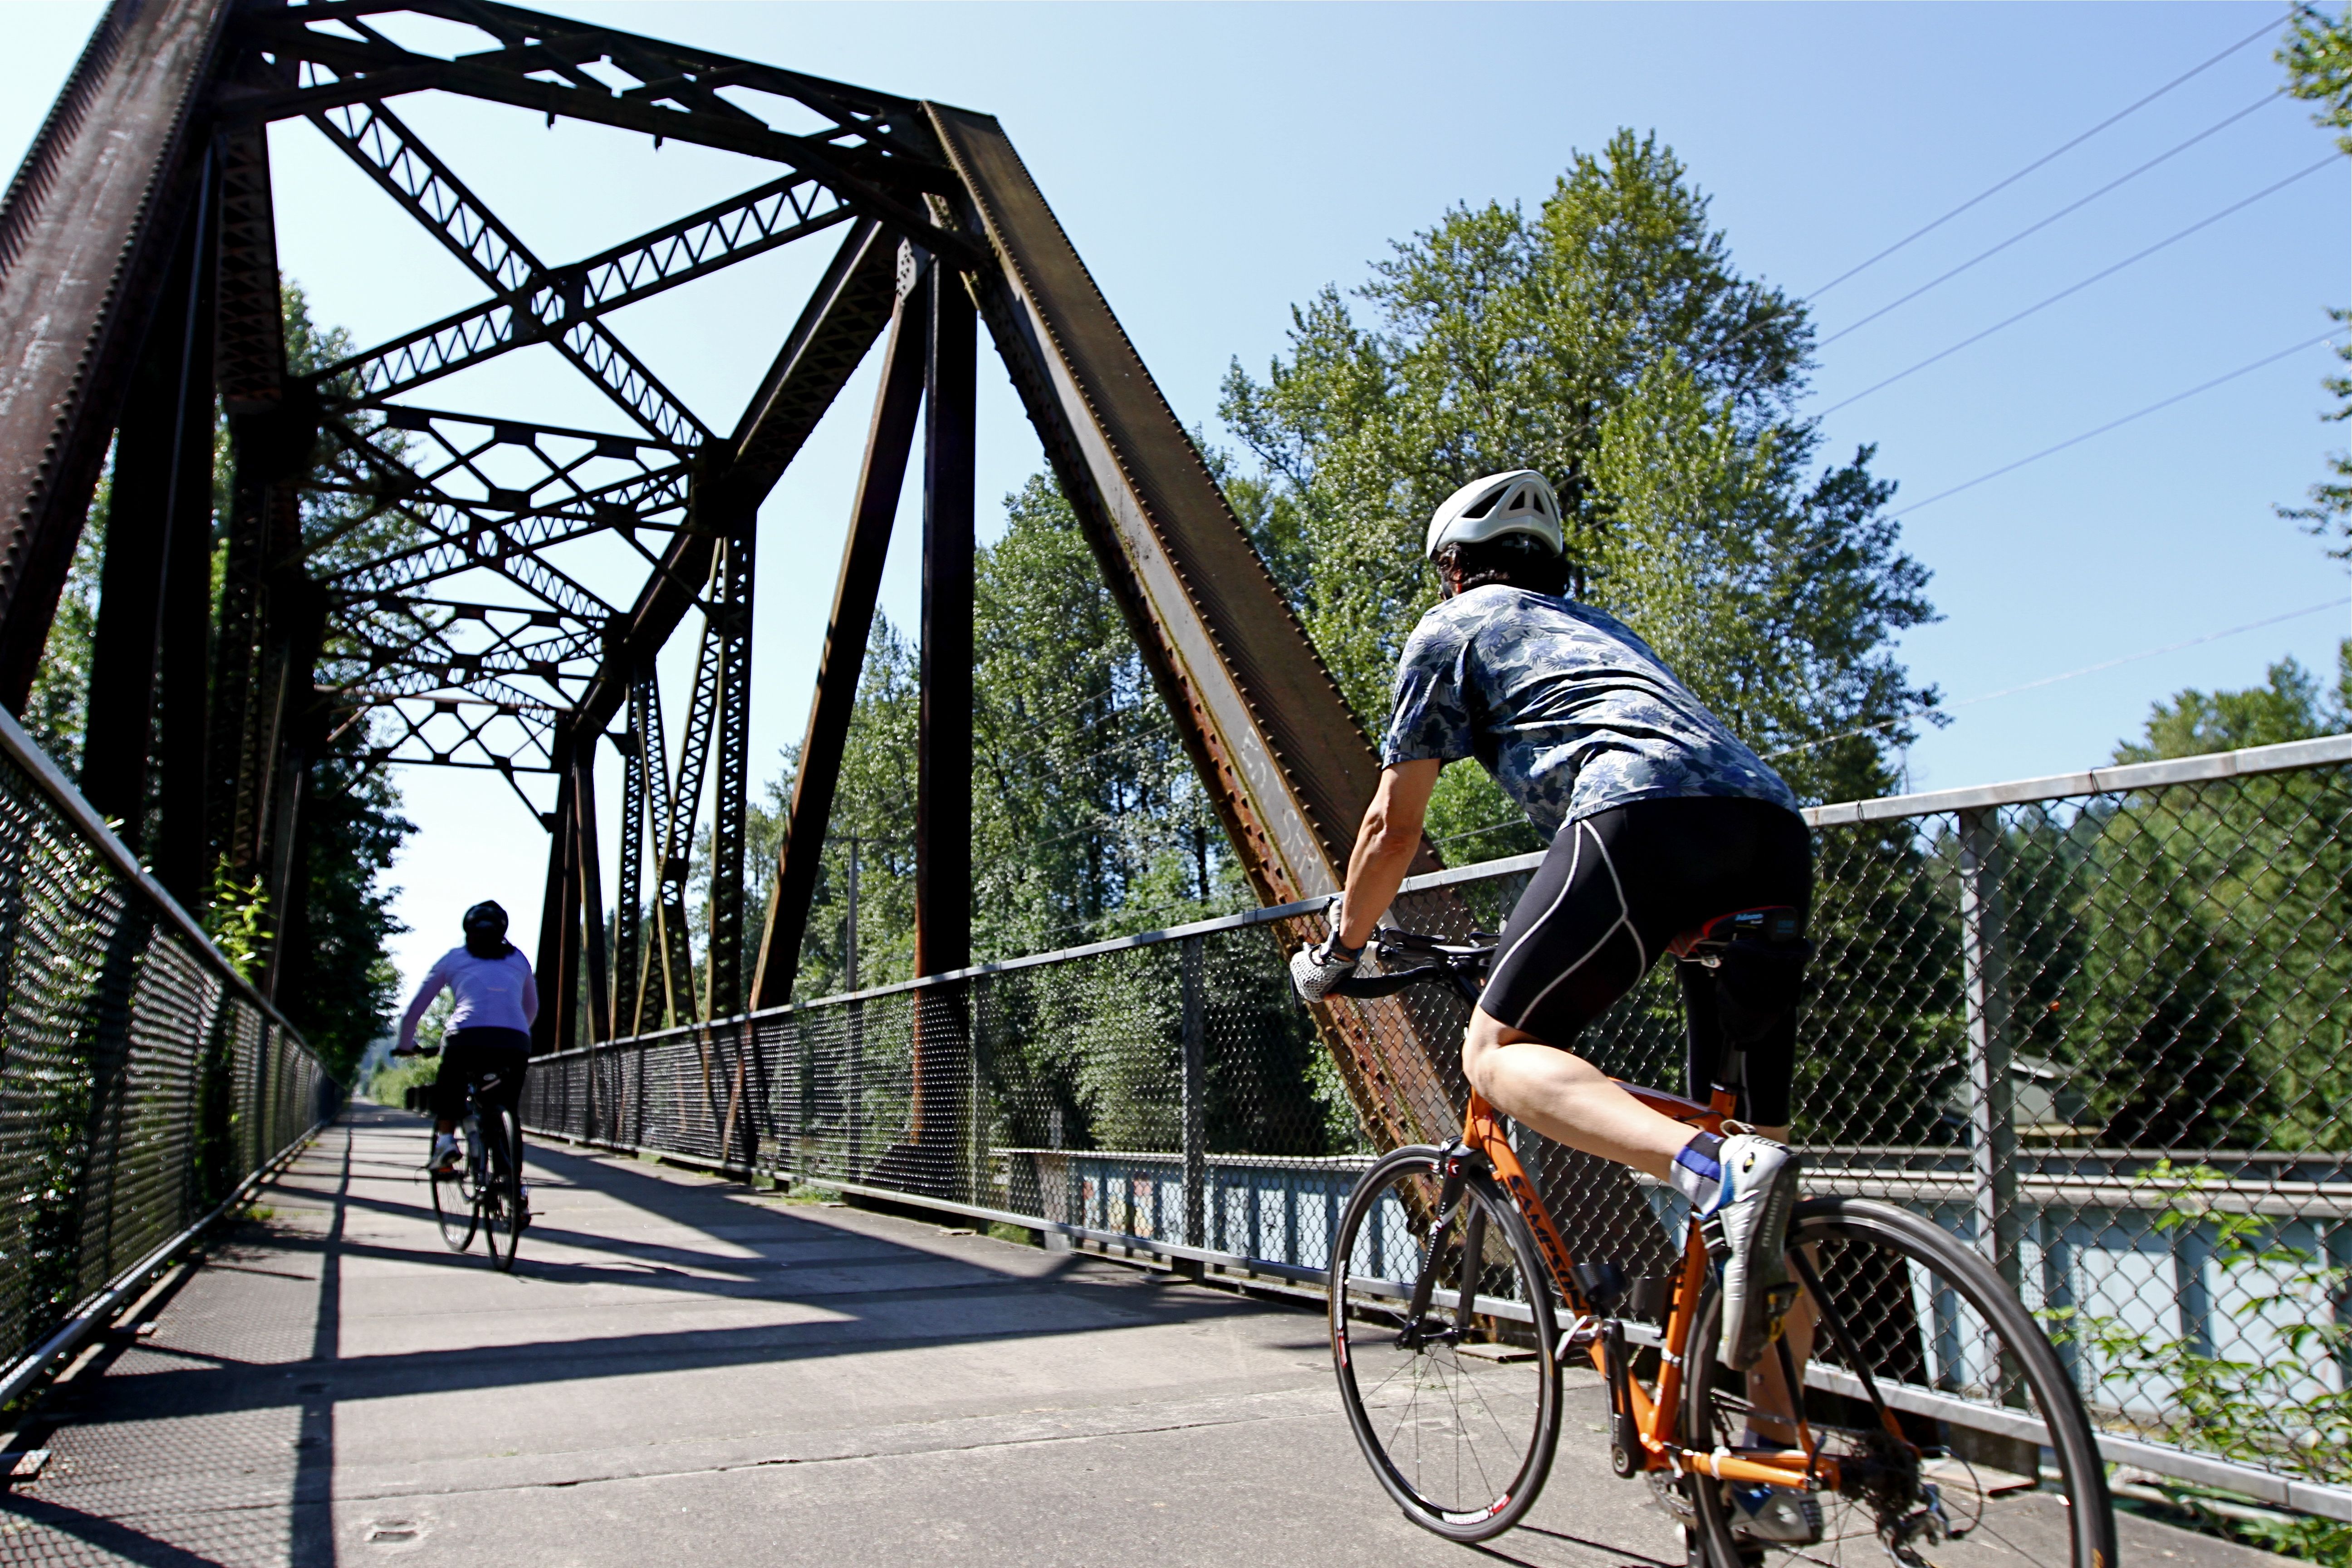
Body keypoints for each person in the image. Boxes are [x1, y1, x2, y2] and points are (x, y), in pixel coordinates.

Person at [1290, 469, 1814, 1384]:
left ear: (1454, 568)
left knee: (1495, 1051)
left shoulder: (1453, 627)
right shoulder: (1600, 629)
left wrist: (1339, 949)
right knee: (1761, 1149)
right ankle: (1776, 1450)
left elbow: (1390, 830)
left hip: (1639, 812)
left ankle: (1711, 1171)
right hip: (1771, 830)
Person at [394, 900, 539, 1176]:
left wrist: (405, 1045)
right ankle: (511, 1185)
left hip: (466, 1038)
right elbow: (531, 1008)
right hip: (515, 1042)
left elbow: (414, 1012)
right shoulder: (518, 959)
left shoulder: (454, 958)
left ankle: (446, 1143)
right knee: (507, 1108)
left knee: (450, 1088)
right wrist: (516, 1031)